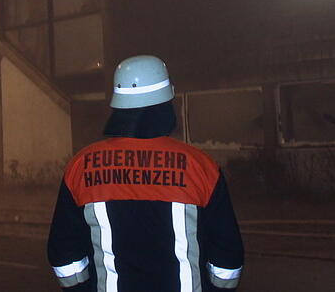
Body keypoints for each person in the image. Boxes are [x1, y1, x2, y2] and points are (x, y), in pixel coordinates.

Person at [47, 55, 244, 291]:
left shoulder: (81, 166)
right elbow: (227, 257)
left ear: (117, 104)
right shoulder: (201, 167)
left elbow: (64, 252)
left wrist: (80, 289)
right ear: (168, 101)